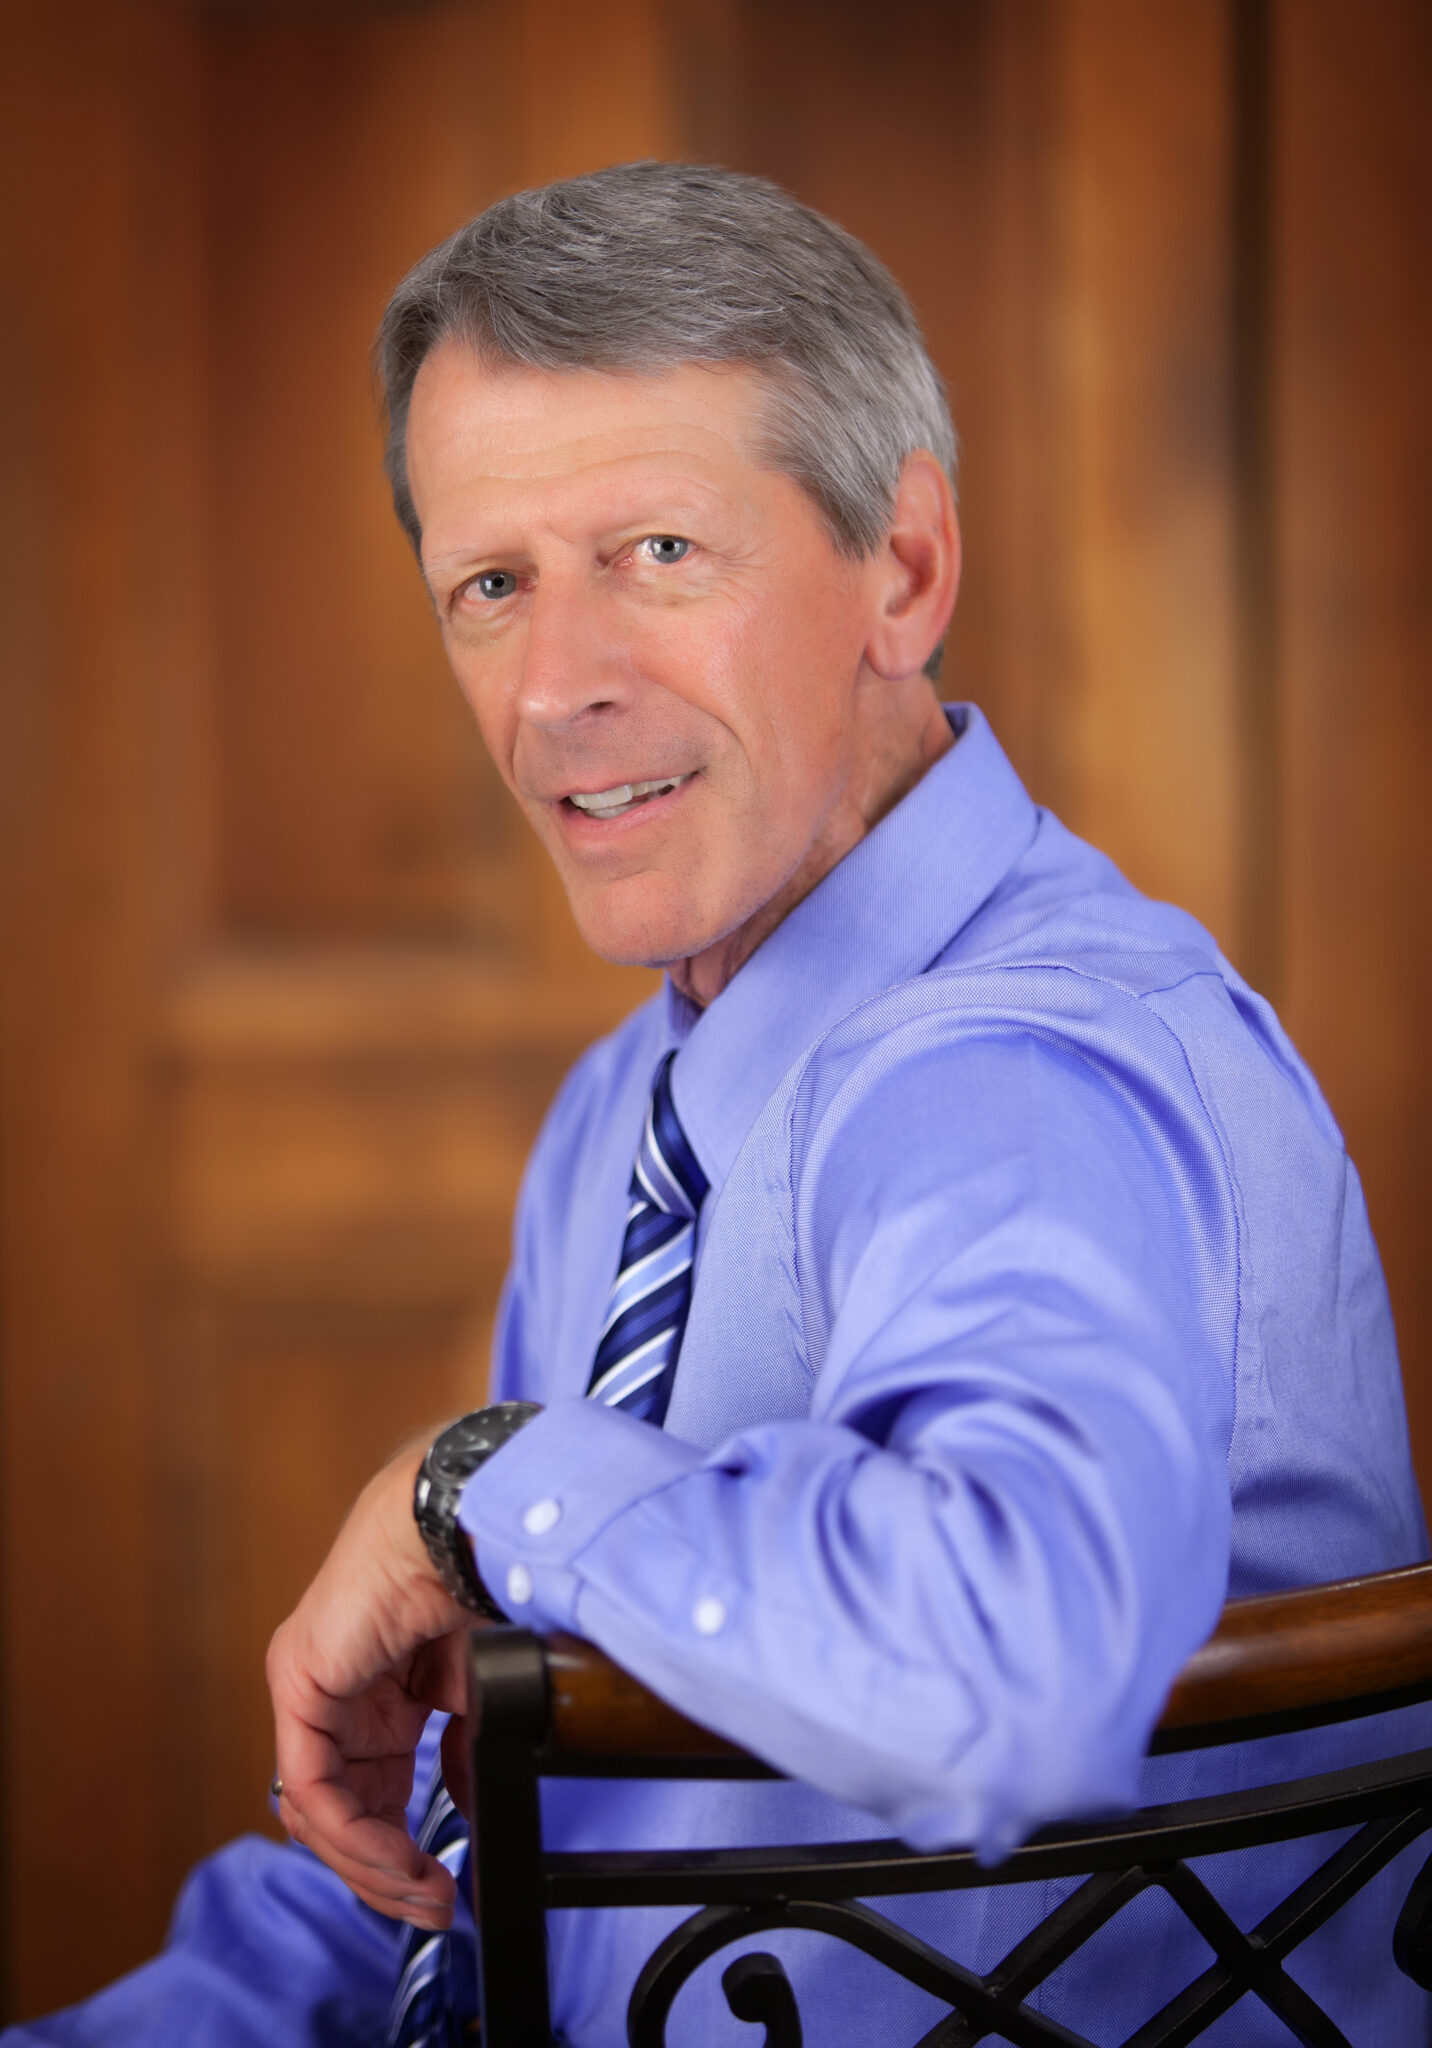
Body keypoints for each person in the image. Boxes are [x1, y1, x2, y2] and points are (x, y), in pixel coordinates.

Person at [9, 162, 1427, 2047]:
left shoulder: (1017, 1075)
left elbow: (1006, 1670)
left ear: (903, 572)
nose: (555, 693)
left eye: (659, 557)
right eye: (493, 587)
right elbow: (481, 1859)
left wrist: (478, 1483)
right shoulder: (626, 1116)